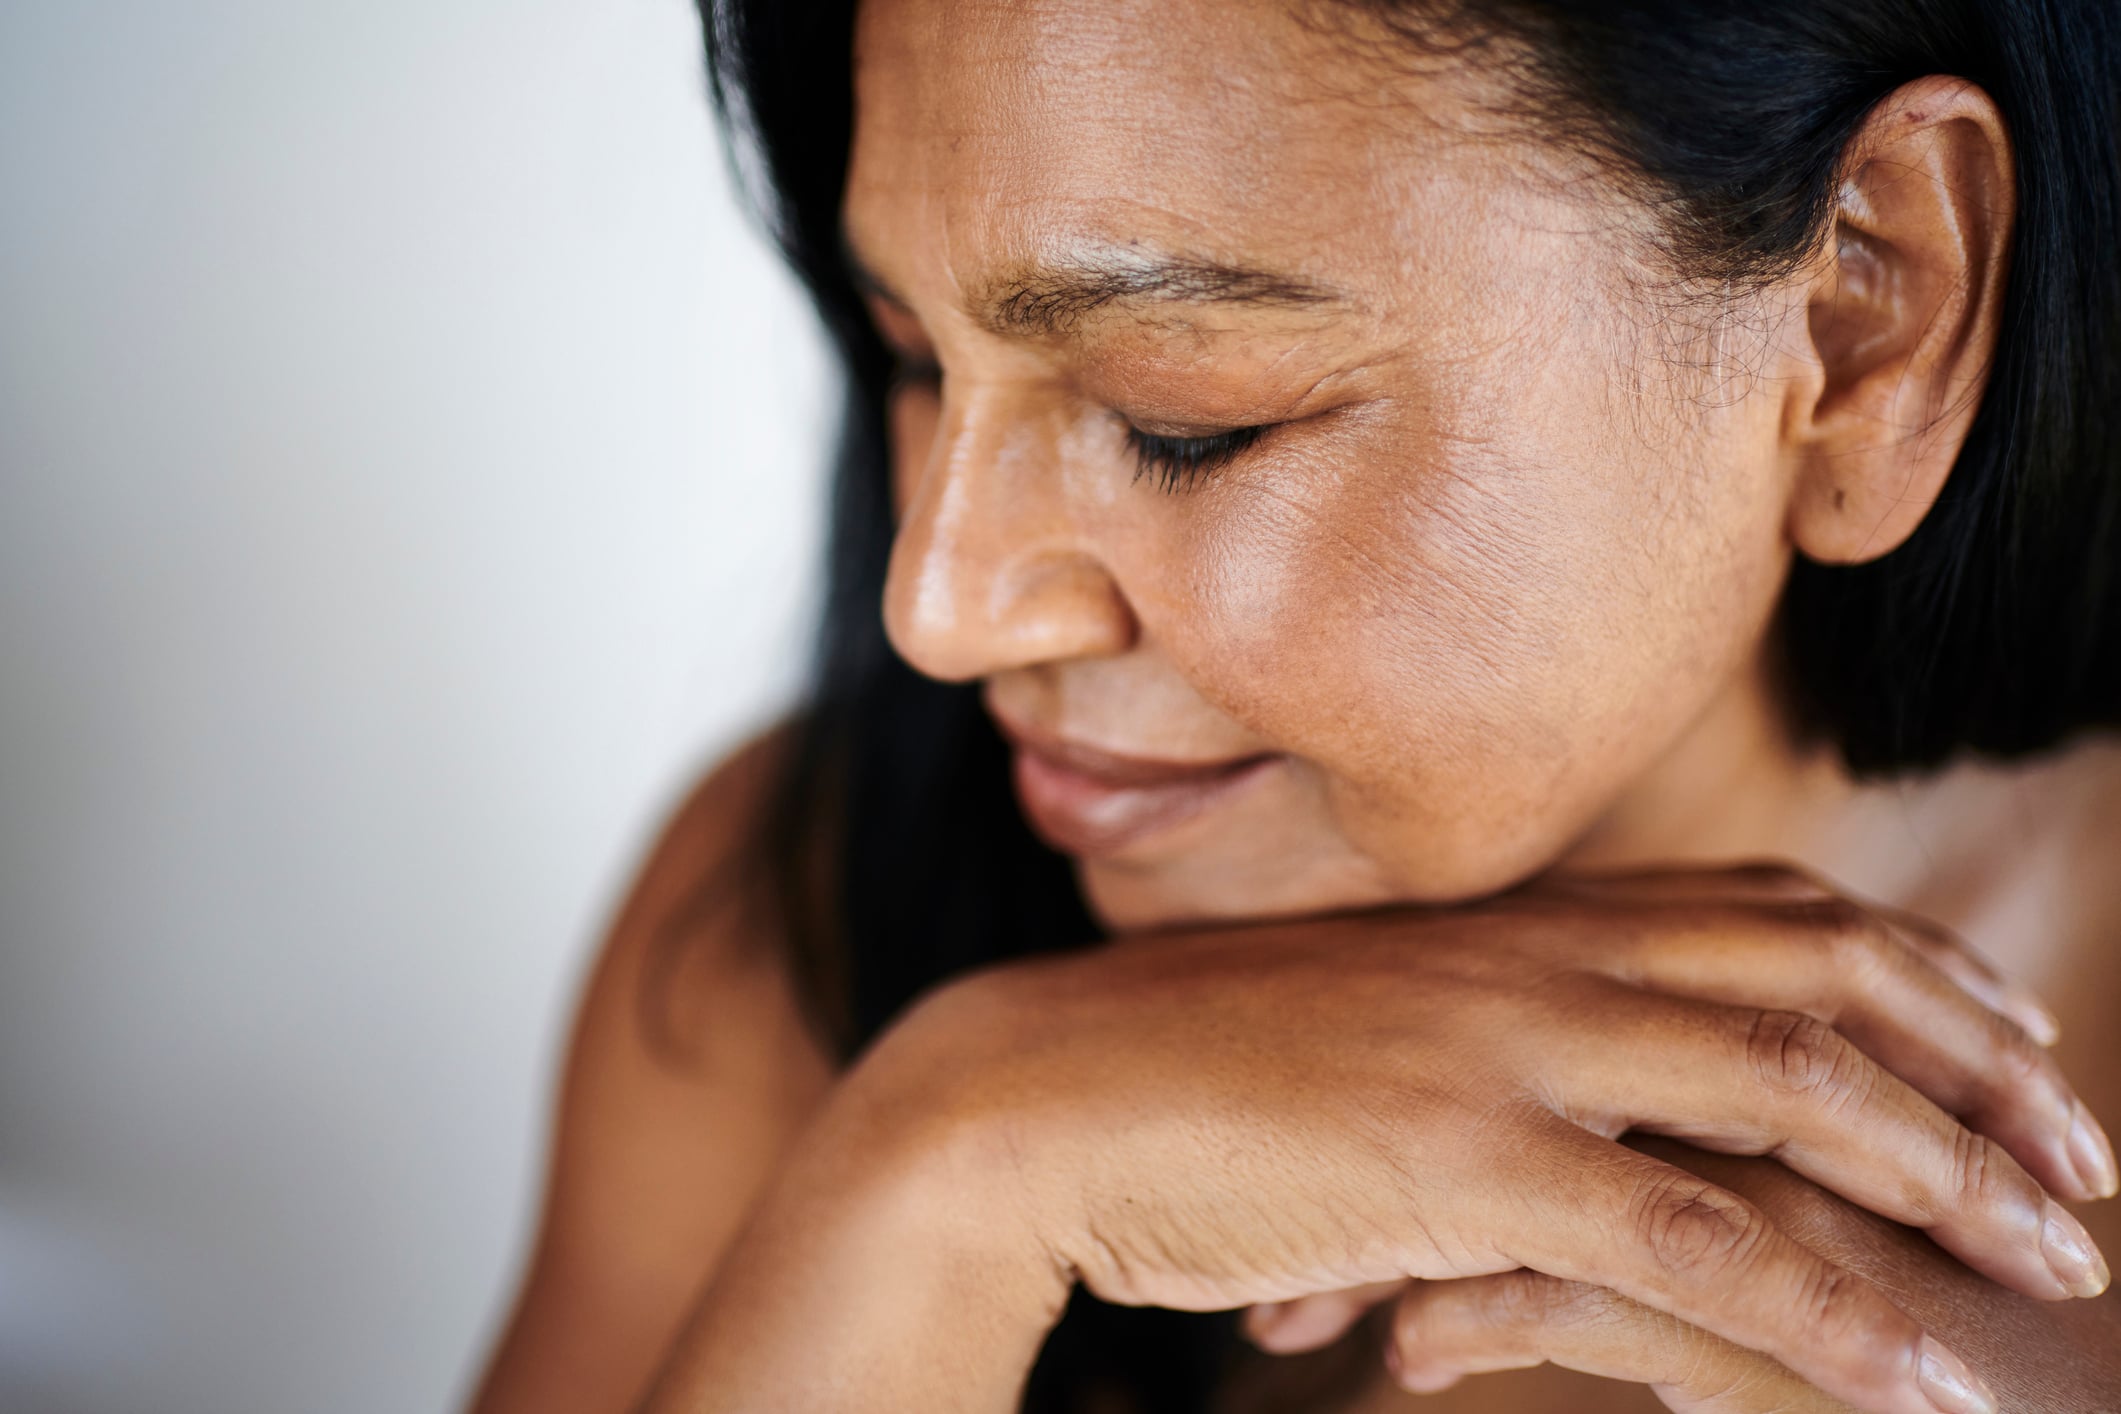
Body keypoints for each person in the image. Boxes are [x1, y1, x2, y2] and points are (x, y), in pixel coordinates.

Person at [469, 1, 2121, 1410]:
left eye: (1183, 421)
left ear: (1862, 310)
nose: (941, 609)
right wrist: (944, 1178)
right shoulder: (790, 929)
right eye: (912, 359)